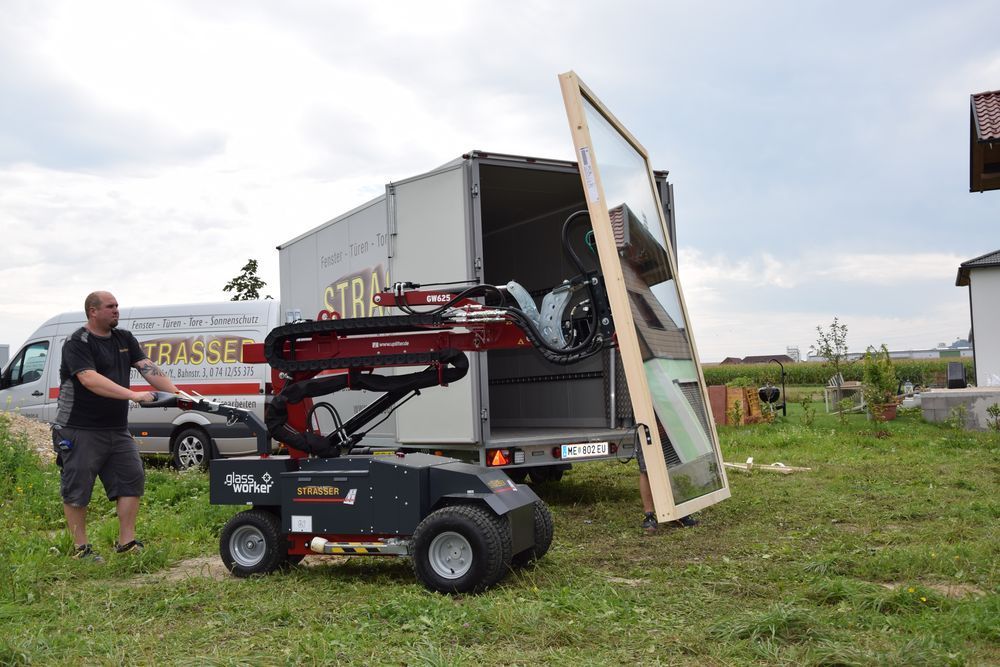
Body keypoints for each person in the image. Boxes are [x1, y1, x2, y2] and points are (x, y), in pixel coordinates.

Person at [53, 291, 179, 561]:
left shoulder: (124, 338)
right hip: (78, 427)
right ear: (93, 311)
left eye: (117, 306)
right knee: (78, 487)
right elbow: (89, 379)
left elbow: (147, 367)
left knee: (131, 478)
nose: (116, 310)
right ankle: (81, 549)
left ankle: (127, 543)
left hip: (116, 428)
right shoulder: (78, 341)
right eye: (110, 307)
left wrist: (178, 395)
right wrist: (133, 395)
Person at [635, 435, 697, 533]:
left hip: (667, 427)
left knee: (673, 466)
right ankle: (649, 515)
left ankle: (678, 511)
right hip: (647, 427)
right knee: (646, 470)